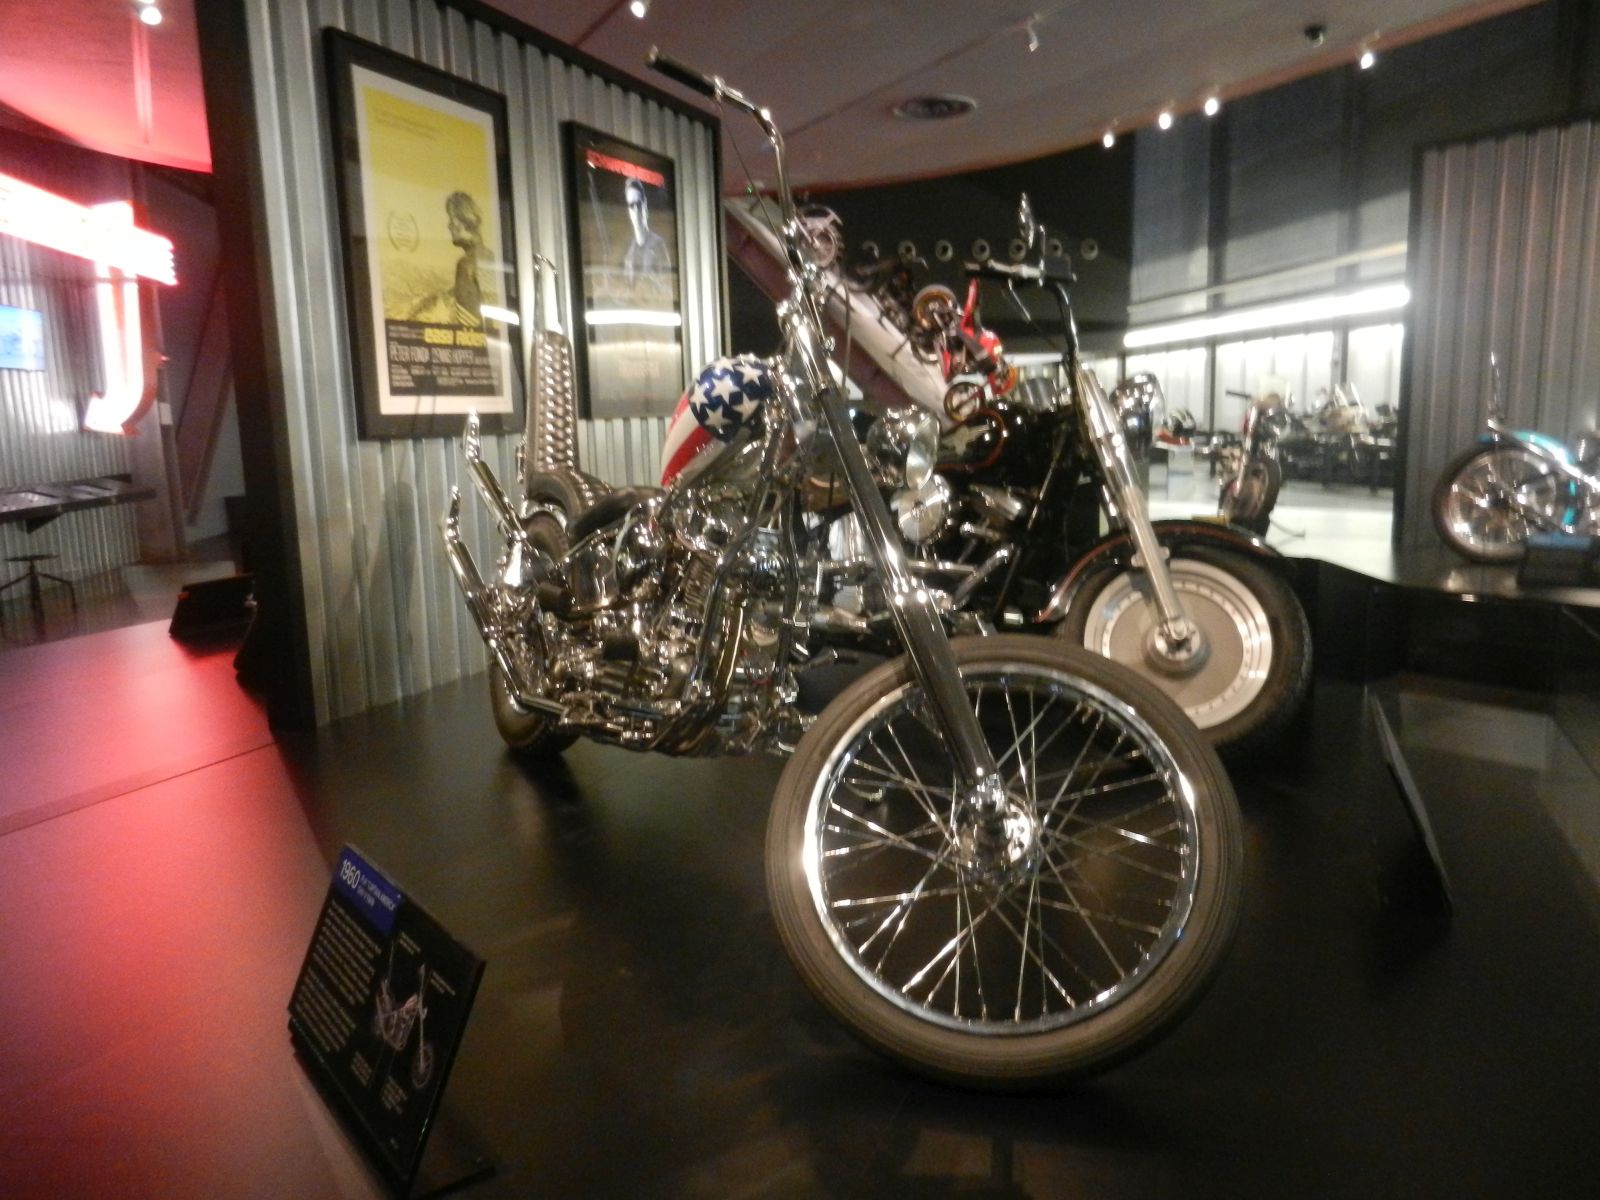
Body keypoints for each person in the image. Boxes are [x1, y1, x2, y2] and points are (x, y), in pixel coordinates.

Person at [409, 190, 487, 326]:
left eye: (452, 220)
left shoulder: (465, 264)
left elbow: (468, 324)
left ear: (464, 220)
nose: (449, 226)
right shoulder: (487, 256)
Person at [621, 177, 669, 291]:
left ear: (644, 205)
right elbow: (627, 289)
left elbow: (668, 285)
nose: (636, 210)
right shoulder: (628, 253)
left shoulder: (659, 244)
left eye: (638, 204)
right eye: (631, 205)